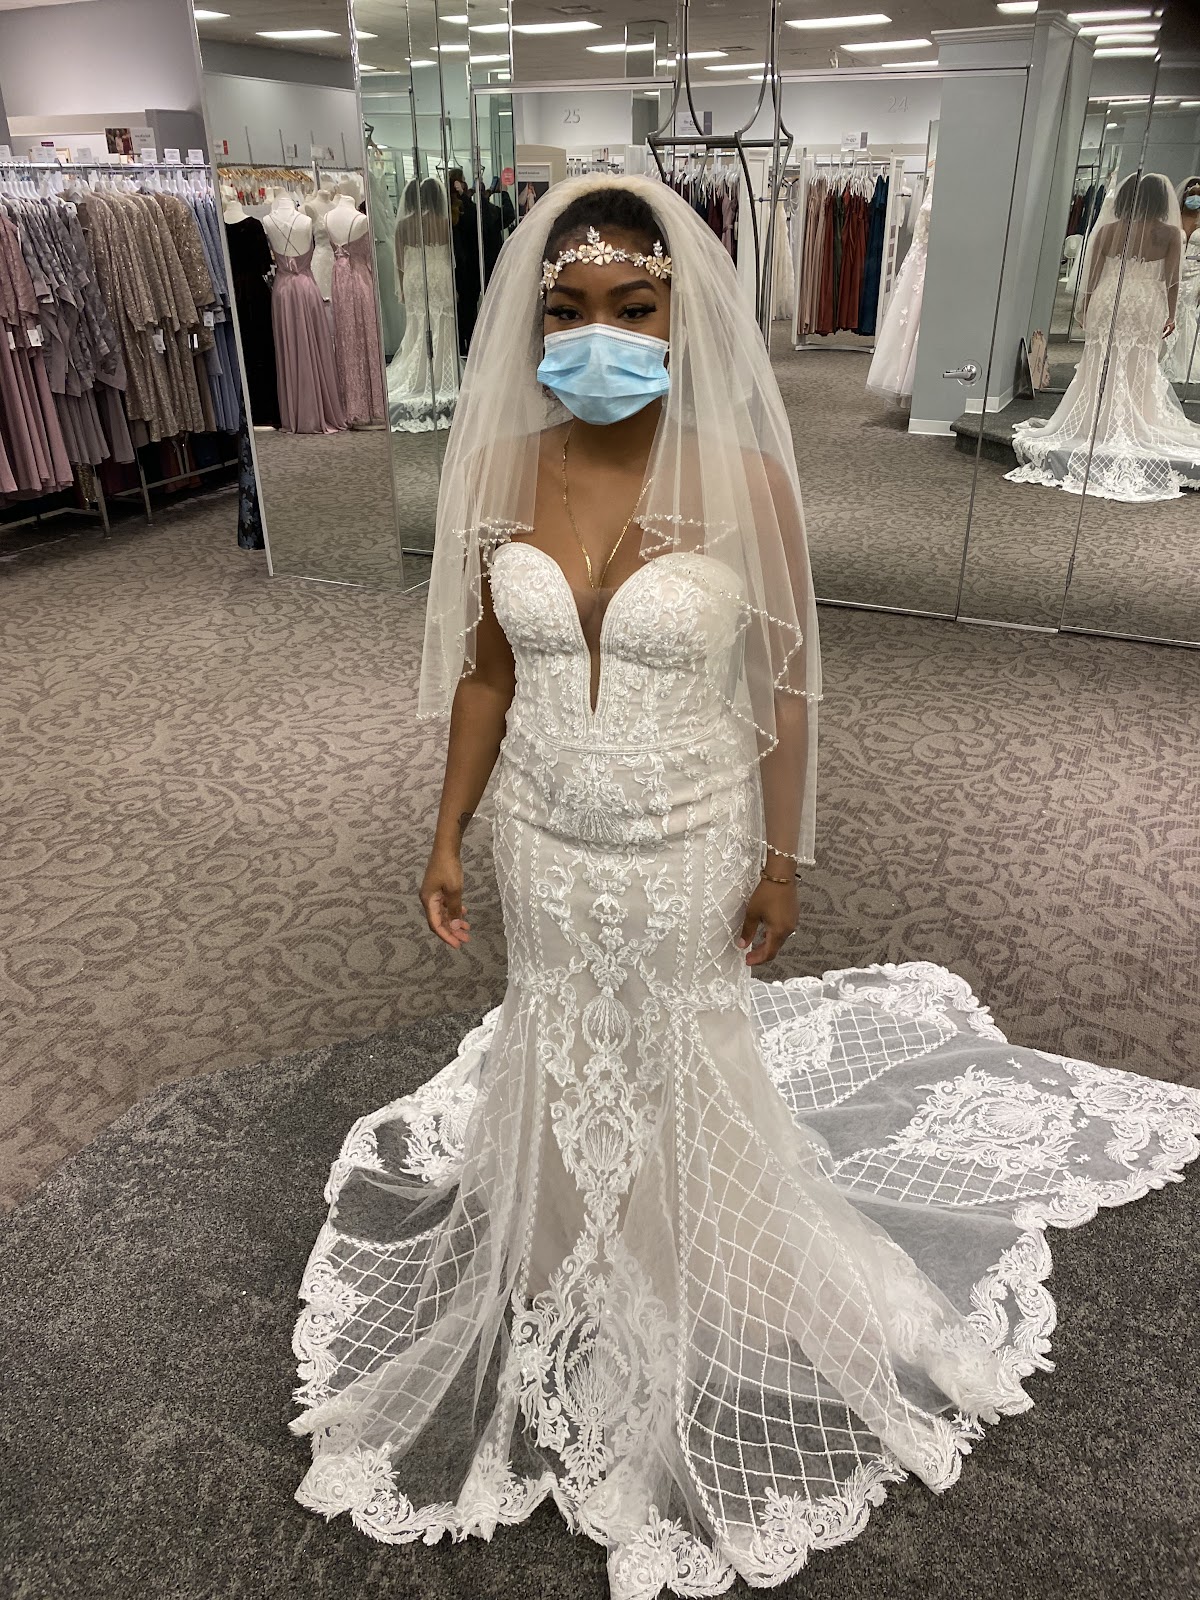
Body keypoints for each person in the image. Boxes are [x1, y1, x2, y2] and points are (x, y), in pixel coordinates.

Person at [287, 176, 1200, 1595]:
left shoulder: (747, 481)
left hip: (689, 832)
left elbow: (782, 690)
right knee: (559, 1030)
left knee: (682, 1044)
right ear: (532, 324)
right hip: (543, 831)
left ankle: (697, 1260)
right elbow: (484, 675)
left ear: (679, 319)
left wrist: (781, 859)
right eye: (567, 312)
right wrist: (446, 830)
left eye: (631, 308)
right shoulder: (500, 469)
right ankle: (562, 1244)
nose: (597, 336)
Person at [1008, 170, 1200, 501]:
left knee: (1100, 358)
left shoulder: (1109, 230)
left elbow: (1093, 273)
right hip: (1145, 301)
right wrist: (1170, 314)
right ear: (1162, 201)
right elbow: (1171, 280)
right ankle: (1135, 417)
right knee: (1139, 360)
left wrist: (1086, 306)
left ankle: (1095, 419)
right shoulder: (1170, 233)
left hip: (1109, 297)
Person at [386, 177, 459, 432]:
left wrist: (403, 286)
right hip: (439, 274)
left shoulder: (403, 225)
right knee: (441, 322)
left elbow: (399, 261)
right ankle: (440, 374)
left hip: (415, 276)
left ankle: (419, 375)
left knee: (417, 323)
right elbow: (449, 258)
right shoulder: (444, 223)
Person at [1162, 173, 1200, 386]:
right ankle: (1163, 356)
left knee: (1187, 312)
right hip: (1173, 269)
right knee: (1169, 310)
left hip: (1196, 272)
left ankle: (1183, 362)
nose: (1195, 199)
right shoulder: (1174, 219)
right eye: (1192, 195)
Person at [447, 166, 482, 355]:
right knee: (465, 307)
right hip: (463, 263)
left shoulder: (462, 205)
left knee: (465, 306)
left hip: (464, 263)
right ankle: (464, 344)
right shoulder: (457, 207)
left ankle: (465, 344)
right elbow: (472, 222)